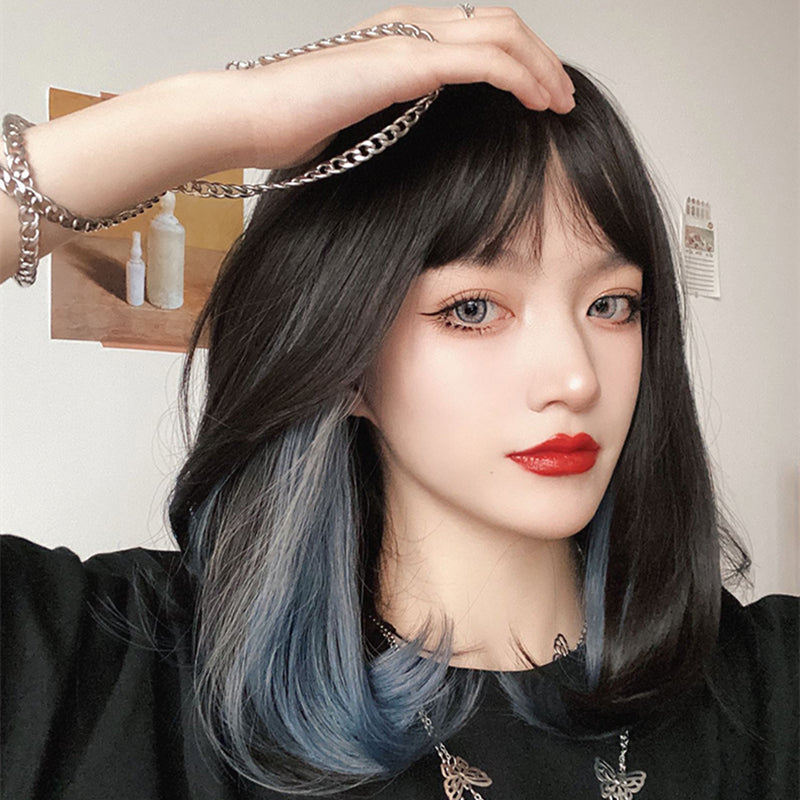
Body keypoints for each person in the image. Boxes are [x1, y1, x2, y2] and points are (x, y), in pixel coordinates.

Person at [1, 5, 797, 799]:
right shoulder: (121, 673)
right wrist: (219, 114)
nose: (576, 378)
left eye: (610, 305)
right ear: (344, 359)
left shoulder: (768, 690)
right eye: (473, 308)